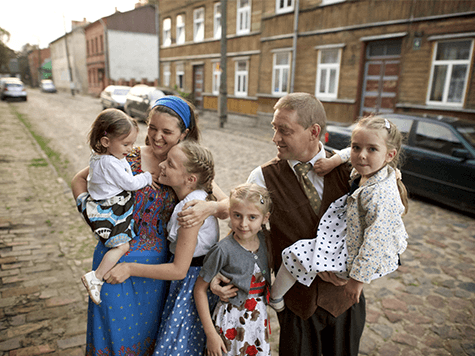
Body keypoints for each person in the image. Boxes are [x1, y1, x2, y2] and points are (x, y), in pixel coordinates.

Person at [210, 92, 365, 355]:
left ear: (313, 131)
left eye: (285, 130)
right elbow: (243, 232)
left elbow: (378, 225)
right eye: (274, 128)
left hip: (345, 300)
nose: (275, 138)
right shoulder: (262, 176)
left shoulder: (350, 170)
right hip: (297, 306)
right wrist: (222, 272)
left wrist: (356, 275)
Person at [72, 96, 228, 356]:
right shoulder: (126, 156)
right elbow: (79, 179)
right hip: (113, 264)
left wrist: (209, 207)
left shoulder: (184, 165)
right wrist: (94, 217)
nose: (156, 137)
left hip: (158, 271)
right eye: (152, 127)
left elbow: (230, 205)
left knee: (152, 342)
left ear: (183, 134)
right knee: (113, 340)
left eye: (166, 131)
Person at [270, 115, 409, 311]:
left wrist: (357, 280)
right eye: (356, 147)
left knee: (296, 254)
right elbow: (348, 152)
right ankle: (285, 290)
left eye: (372, 149)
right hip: (347, 235)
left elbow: (375, 241)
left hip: (358, 255)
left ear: (390, 155)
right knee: (300, 255)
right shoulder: (372, 170)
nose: (361, 155)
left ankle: (275, 296)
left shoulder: (380, 194)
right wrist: (334, 161)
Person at [78, 109, 153, 305]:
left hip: (106, 206)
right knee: (122, 246)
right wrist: (147, 176)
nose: (130, 148)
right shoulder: (110, 162)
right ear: (106, 142)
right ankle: (96, 276)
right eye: (126, 144)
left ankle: (97, 276)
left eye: (132, 143)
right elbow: (130, 184)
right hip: (110, 211)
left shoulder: (99, 157)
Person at [194, 183, 273, 356]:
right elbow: (199, 290)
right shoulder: (222, 250)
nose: (243, 224)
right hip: (230, 322)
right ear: (230, 213)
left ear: (265, 218)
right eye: (237, 215)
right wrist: (211, 335)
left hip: (258, 321)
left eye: (252, 217)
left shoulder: (267, 241)